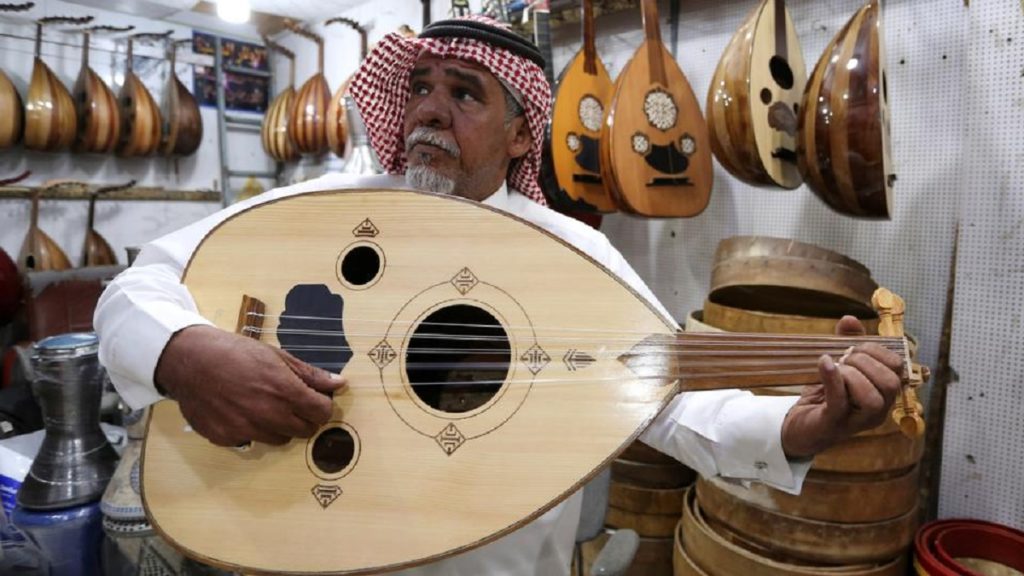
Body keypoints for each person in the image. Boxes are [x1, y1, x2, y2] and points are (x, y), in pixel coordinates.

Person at [94, 15, 903, 576]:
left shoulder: (572, 253)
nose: (429, 110)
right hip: (304, 539)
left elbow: (663, 396)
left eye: (465, 94)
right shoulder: (330, 206)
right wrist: (183, 354)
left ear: (521, 134)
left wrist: (796, 428)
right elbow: (136, 286)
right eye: (421, 86)